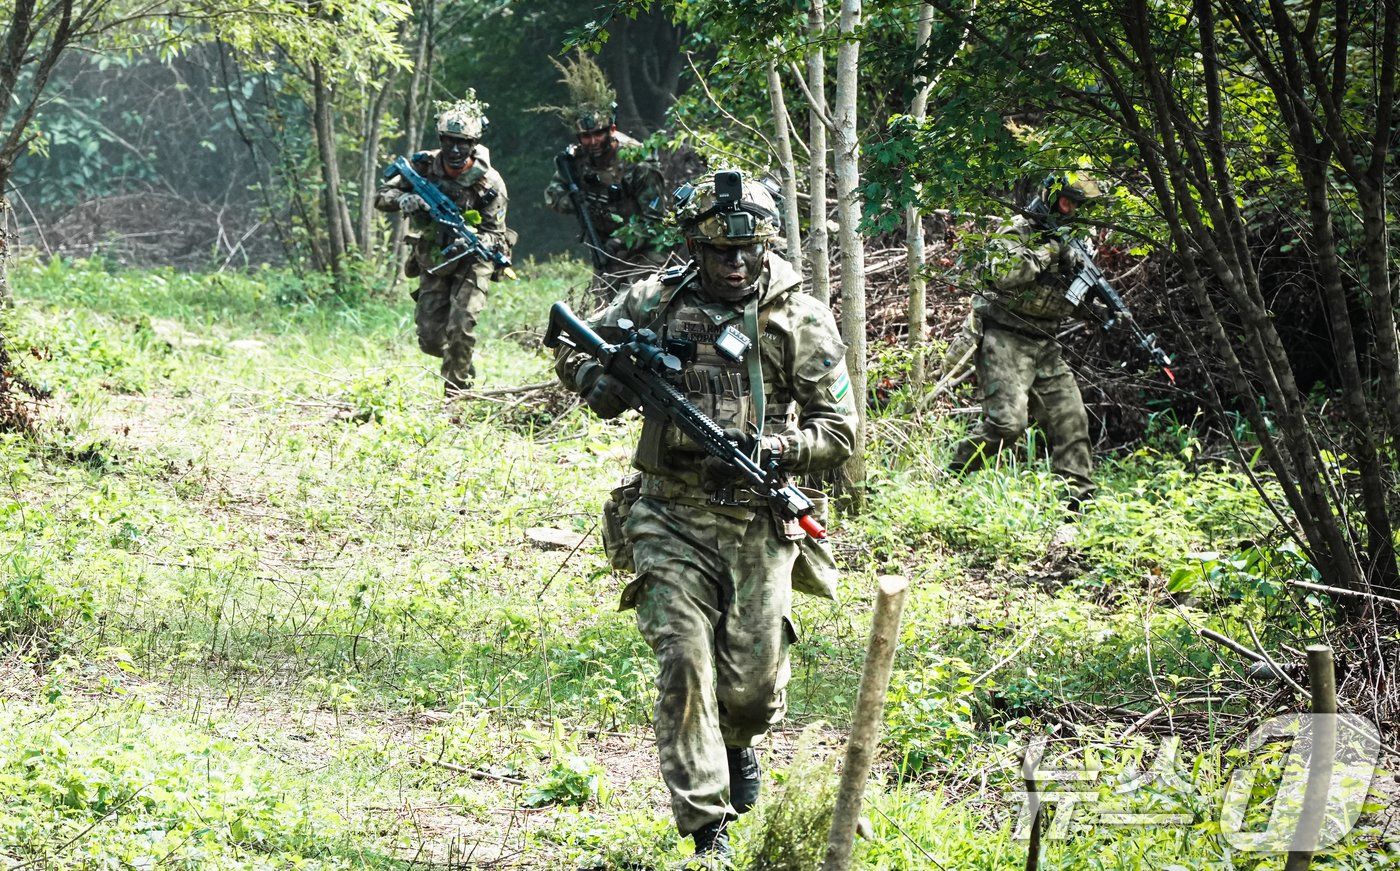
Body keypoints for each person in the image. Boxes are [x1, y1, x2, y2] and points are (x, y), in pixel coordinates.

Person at [554, 171, 857, 859]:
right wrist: (602, 380)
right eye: (720, 252)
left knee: (748, 689)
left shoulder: (798, 318)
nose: (736, 265)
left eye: (748, 251)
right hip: (669, 513)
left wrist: (777, 446)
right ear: (695, 246)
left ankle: (740, 742)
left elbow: (839, 431)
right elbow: (572, 344)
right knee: (685, 665)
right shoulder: (654, 302)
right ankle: (706, 827)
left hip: (757, 518)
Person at [948, 174, 1101, 511]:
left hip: (1046, 343)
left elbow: (1072, 300)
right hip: (1005, 337)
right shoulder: (1017, 230)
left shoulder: (1076, 243)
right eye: (1066, 202)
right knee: (1007, 425)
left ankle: (1078, 502)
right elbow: (1004, 274)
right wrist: (1051, 250)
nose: (1071, 210)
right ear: (1051, 198)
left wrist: (1100, 307)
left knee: (1070, 419)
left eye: (1078, 206)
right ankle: (951, 476)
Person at [376, 92, 514, 396]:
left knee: (461, 327)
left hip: (474, 260)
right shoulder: (422, 167)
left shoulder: (490, 182)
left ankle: (457, 397)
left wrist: (473, 238)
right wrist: (404, 199)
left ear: (473, 143)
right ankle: (461, 362)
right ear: (440, 139)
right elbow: (381, 196)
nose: (455, 148)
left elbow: (497, 233)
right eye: (449, 140)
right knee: (430, 338)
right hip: (435, 257)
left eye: (462, 142)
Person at [540, 53, 670, 299]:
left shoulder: (637, 162)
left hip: (646, 251)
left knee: (643, 306)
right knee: (604, 318)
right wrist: (574, 202)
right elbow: (552, 193)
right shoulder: (575, 161)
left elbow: (655, 221)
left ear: (611, 129)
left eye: (598, 134)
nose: (592, 142)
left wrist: (621, 242)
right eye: (586, 137)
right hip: (604, 249)